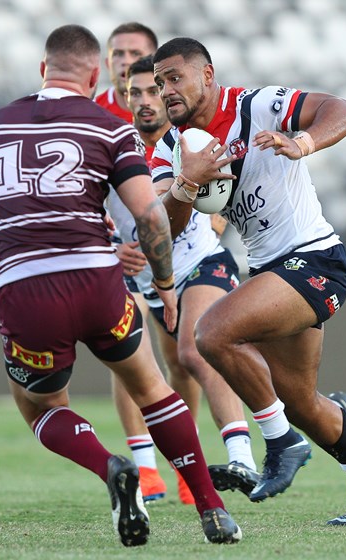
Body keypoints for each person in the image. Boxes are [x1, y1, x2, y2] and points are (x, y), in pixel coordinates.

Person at [0, 25, 241, 545]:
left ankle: (111, 467)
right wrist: (165, 283)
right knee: (153, 389)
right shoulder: (109, 128)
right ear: (94, 76)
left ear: (43, 71)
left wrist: (33, 223)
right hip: (98, 281)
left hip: (25, 288)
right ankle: (212, 508)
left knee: (41, 406)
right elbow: (152, 218)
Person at [151, 37, 346, 526]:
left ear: (207, 75)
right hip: (273, 270)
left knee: (212, 332)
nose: (166, 90)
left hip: (315, 259)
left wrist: (304, 141)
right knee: (301, 401)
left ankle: (281, 442)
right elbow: (166, 225)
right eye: (160, 82)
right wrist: (188, 182)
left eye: (174, 78)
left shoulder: (258, 106)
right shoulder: (170, 146)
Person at [106, 54, 259, 505]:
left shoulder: (187, 140)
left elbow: (219, 191)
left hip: (199, 263)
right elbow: (89, 209)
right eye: (135, 93)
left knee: (196, 349)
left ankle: (241, 459)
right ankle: (162, 471)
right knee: (148, 370)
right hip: (149, 281)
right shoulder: (111, 148)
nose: (145, 100)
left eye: (153, 90)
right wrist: (112, 246)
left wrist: (213, 222)